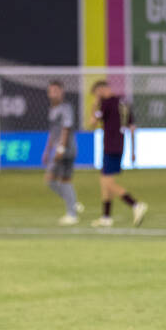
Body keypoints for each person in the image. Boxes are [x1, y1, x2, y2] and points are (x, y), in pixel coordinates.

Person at [87, 80, 147, 228]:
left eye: (96, 93)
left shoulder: (106, 103)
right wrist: (133, 151)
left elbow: (92, 123)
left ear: (100, 90)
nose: (97, 96)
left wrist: (95, 104)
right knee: (104, 180)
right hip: (120, 144)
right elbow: (132, 127)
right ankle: (106, 217)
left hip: (110, 145)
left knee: (107, 182)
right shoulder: (124, 102)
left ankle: (135, 204)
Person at [42, 81, 83, 226]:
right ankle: (72, 202)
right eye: (50, 91)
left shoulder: (66, 108)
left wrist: (60, 149)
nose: (52, 94)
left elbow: (66, 129)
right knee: (50, 180)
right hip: (57, 149)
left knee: (65, 180)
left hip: (67, 149)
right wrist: (47, 151)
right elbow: (53, 132)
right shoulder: (52, 109)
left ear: (61, 92)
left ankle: (72, 214)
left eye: (55, 91)